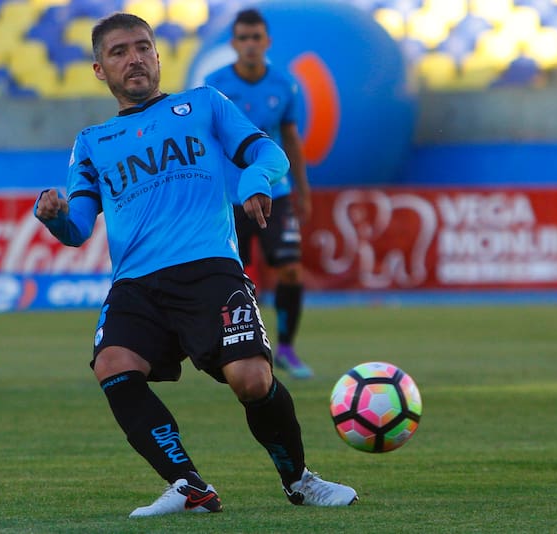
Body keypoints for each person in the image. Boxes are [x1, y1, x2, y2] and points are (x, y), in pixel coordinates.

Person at [34, 12, 357, 518]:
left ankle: (299, 480)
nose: (134, 58)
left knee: (251, 379)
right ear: (100, 70)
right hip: (136, 283)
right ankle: (188, 485)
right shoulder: (91, 142)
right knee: (112, 366)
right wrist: (54, 218)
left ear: (158, 56)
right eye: (118, 52)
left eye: (142, 47)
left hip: (209, 268)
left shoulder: (204, 104)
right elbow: (77, 228)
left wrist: (253, 183)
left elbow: (271, 154)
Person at [205, 8, 314, 379]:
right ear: (234, 43)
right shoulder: (214, 85)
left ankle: (285, 347)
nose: (250, 45)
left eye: (257, 38)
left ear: (267, 42)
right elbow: (205, 144)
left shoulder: (284, 85)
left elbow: (291, 140)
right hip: (229, 197)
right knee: (228, 279)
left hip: (276, 193)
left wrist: (303, 190)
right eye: (243, 38)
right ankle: (230, 350)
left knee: (291, 270)